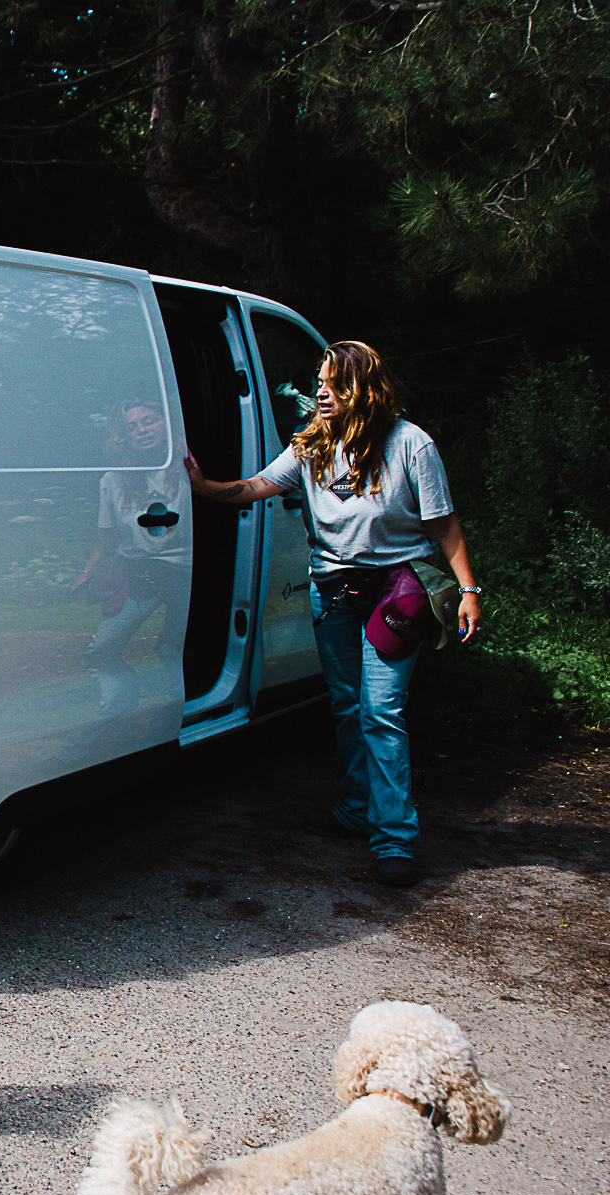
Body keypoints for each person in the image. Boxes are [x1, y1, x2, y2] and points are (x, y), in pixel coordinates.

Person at [183, 340, 484, 888]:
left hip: (399, 588)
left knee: (381, 710)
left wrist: (469, 589)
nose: (320, 392)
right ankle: (353, 812)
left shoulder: (411, 444)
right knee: (347, 706)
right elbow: (256, 487)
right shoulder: (312, 446)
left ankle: (395, 839)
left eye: (333, 384)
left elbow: (443, 524)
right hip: (335, 590)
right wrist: (203, 487)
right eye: (319, 381)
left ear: (363, 390)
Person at [71, 401, 192, 721]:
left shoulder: (184, 468)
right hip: (138, 574)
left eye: (149, 421)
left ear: (166, 424)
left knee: (173, 649)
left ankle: (179, 716)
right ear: (123, 437)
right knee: (101, 653)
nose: (142, 431)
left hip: (184, 571)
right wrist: (87, 572)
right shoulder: (112, 480)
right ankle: (119, 710)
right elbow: (107, 539)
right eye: (132, 427)